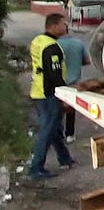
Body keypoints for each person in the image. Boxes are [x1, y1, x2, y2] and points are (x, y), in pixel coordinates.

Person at [28, 13, 74, 179]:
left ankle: (64, 158)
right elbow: (54, 76)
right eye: (63, 24)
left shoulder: (38, 41)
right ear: (54, 26)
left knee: (53, 129)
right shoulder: (52, 47)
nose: (66, 27)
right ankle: (36, 168)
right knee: (47, 130)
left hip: (37, 91)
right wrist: (65, 95)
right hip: (48, 93)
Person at [58, 33, 91, 143]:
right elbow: (87, 61)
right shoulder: (78, 43)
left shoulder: (55, 44)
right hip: (74, 82)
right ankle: (70, 134)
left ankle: (58, 134)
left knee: (57, 109)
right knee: (70, 109)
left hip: (58, 81)